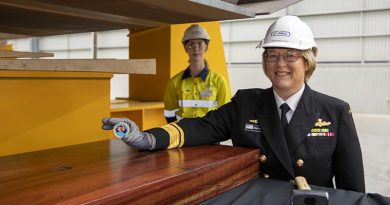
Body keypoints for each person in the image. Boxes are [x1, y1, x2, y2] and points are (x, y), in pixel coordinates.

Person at [102, 16, 365, 192]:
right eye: (272, 55)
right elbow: (200, 126)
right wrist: (147, 138)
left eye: (290, 56)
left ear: (307, 61)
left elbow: (353, 189)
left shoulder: (335, 111)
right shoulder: (246, 103)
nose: (280, 64)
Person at [163, 24, 231, 123]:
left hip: (210, 136)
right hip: (184, 135)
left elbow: (225, 114)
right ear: (186, 48)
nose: (196, 48)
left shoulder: (219, 81)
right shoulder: (174, 82)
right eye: (191, 44)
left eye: (200, 43)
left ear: (206, 47)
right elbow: (169, 113)